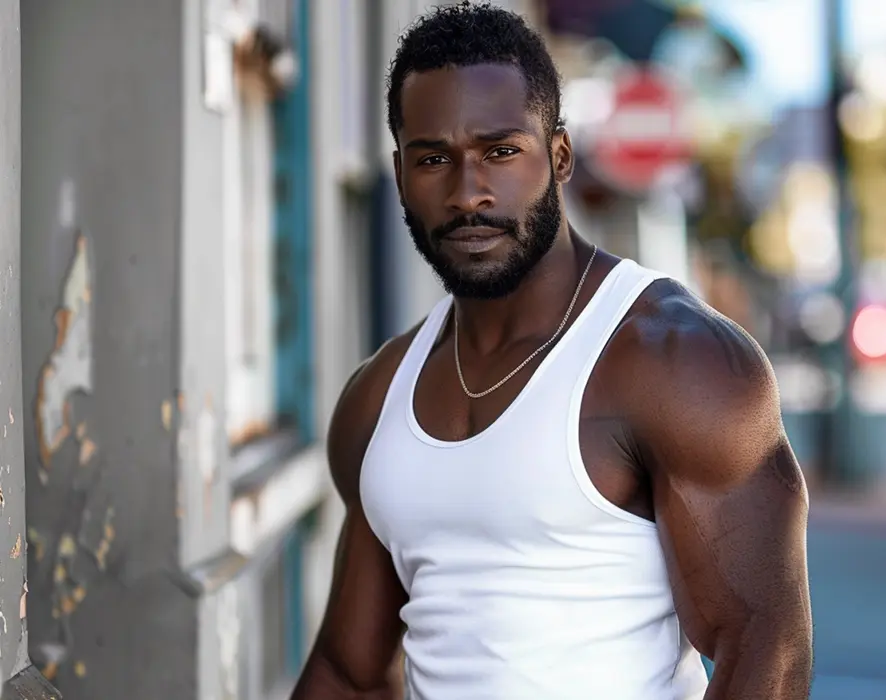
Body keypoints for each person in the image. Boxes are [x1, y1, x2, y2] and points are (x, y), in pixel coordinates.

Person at [290, 3, 812, 699]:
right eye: (433, 159)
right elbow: (349, 674)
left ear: (559, 156)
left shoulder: (675, 361)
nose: (467, 193)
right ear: (400, 172)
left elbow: (765, 653)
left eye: (501, 152)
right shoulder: (377, 398)